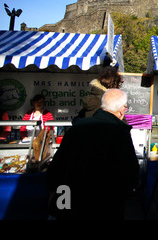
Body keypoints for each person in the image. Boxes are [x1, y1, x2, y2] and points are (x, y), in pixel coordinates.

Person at [46, 89, 140, 220]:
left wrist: (54, 190)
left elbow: (58, 165)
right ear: (121, 110)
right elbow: (130, 172)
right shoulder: (120, 133)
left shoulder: (77, 127)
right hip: (106, 206)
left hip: (72, 203)